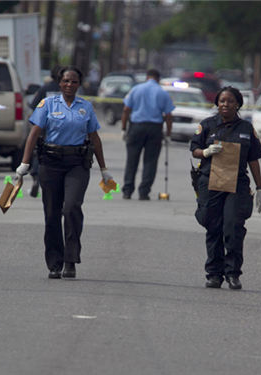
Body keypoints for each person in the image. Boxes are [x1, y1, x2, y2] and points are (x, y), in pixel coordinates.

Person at [15, 66, 113, 279]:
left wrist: (104, 169)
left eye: (74, 82)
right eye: (66, 81)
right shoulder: (47, 104)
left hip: (77, 164)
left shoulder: (85, 107)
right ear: (59, 83)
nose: (69, 85)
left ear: (79, 84)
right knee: (52, 213)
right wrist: (24, 164)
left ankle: (70, 260)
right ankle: (54, 262)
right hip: (50, 163)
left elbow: (94, 138)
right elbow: (34, 134)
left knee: (71, 208)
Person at [190, 86, 261, 290]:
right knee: (212, 227)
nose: (225, 104)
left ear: (238, 104)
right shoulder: (207, 125)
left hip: (236, 184)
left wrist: (260, 188)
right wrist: (205, 152)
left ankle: (233, 273)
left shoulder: (246, 129)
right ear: (217, 103)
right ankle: (214, 274)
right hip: (210, 181)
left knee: (232, 227)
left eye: (230, 101)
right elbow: (194, 149)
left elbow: (254, 160)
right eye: (222, 100)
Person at [121, 69, 175, 200]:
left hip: (136, 127)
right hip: (154, 129)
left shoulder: (136, 89)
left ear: (147, 77)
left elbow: (126, 109)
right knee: (150, 161)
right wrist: (168, 134)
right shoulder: (162, 92)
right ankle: (144, 192)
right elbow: (168, 115)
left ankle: (127, 190)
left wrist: (124, 128)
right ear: (158, 79)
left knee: (132, 160)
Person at [28, 65, 62, 197]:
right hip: (64, 127)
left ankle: (36, 176)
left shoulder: (45, 89)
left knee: (40, 151)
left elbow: (34, 106)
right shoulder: (67, 89)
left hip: (46, 126)